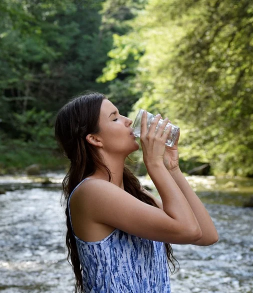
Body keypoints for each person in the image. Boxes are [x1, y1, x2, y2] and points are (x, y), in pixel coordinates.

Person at [54, 92, 218, 293]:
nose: (128, 121)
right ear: (94, 139)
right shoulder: (92, 191)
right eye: (115, 118)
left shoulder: (134, 193)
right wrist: (154, 164)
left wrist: (172, 169)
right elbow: (188, 230)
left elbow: (206, 235)